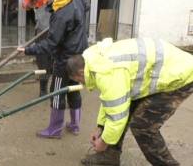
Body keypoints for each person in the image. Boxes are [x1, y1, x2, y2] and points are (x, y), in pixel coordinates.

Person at [67, 38, 193, 166]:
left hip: (179, 75)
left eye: (79, 80)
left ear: (81, 72)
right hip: (160, 69)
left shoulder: (107, 72)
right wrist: (100, 127)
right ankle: (110, 156)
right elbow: (111, 102)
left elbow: (117, 116)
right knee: (123, 107)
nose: (81, 84)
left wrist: (104, 142)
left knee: (143, 125)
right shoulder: (94, 60)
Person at [17, 0, 88, 138]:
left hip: (64, 59)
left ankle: (55, 130)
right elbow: (86, 6)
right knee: (73, 89)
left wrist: (28, 50)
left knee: (56, 92)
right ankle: (75, 125)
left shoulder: (62, 14)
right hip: (79, 55)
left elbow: (51, 44)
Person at [22, 0, 53, 96]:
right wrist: (29, 4)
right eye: (35, 1)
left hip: (54, 31)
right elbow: (25, 5)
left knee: (53, 62)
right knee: (43, 62)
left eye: (37, 1)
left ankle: (54, 89)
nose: (36, 3)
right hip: (41, 32)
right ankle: (43, 89)